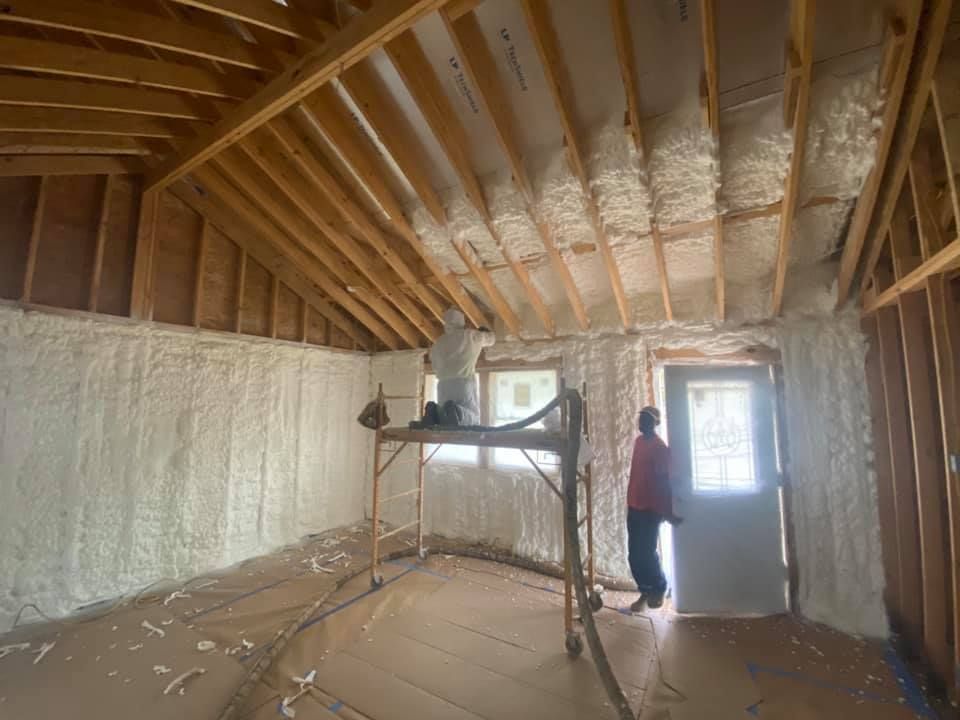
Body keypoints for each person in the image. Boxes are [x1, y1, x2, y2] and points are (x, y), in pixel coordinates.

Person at [626, 405, 681, 612]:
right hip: (634, 504)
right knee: (634, 553)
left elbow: (663, 481)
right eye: (641, 419)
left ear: (655, 423)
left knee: (647, 552)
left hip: (650, 508)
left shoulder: (659, 447)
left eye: (646, 420)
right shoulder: (639, 442)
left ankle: (659, 587)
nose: (642, 423)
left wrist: (665, 510)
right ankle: (645, 590)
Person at [425, 308, 495, 426]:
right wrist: (483, 331)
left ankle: (433, 412)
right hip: (463, 382)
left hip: (442, 384)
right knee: (473, 417)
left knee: (445, 417)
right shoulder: (470, 335)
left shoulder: (438, 343)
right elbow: (491, 339)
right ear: (461, 321)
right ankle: (456, 410)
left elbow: (434, 363)